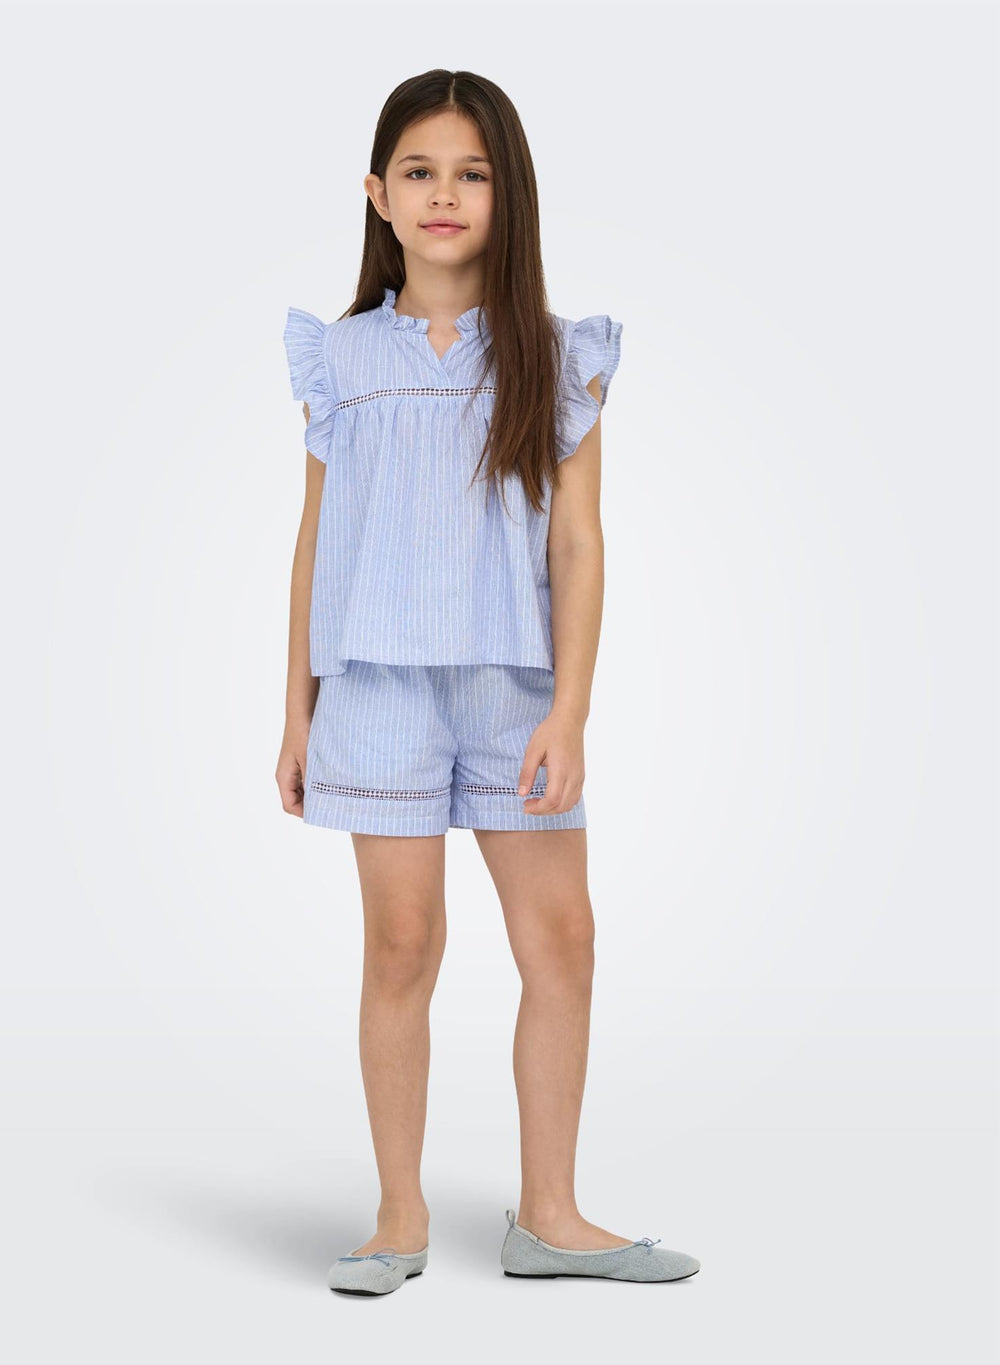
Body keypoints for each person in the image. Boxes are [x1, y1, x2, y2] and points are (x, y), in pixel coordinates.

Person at [275, 68, 701, 1296]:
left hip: (514, 693)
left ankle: (549, 1215)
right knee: (402, 944)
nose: (444, 194)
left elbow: (577, 543)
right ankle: (397, 1216)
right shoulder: (342, 358)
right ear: (377, 194)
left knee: (562, 938)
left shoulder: (555, 357)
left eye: (472, 173)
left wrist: (570, 709)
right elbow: (315, 540)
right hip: (377, 692)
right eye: (419, 171)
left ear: (508, 196)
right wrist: (296, 709)